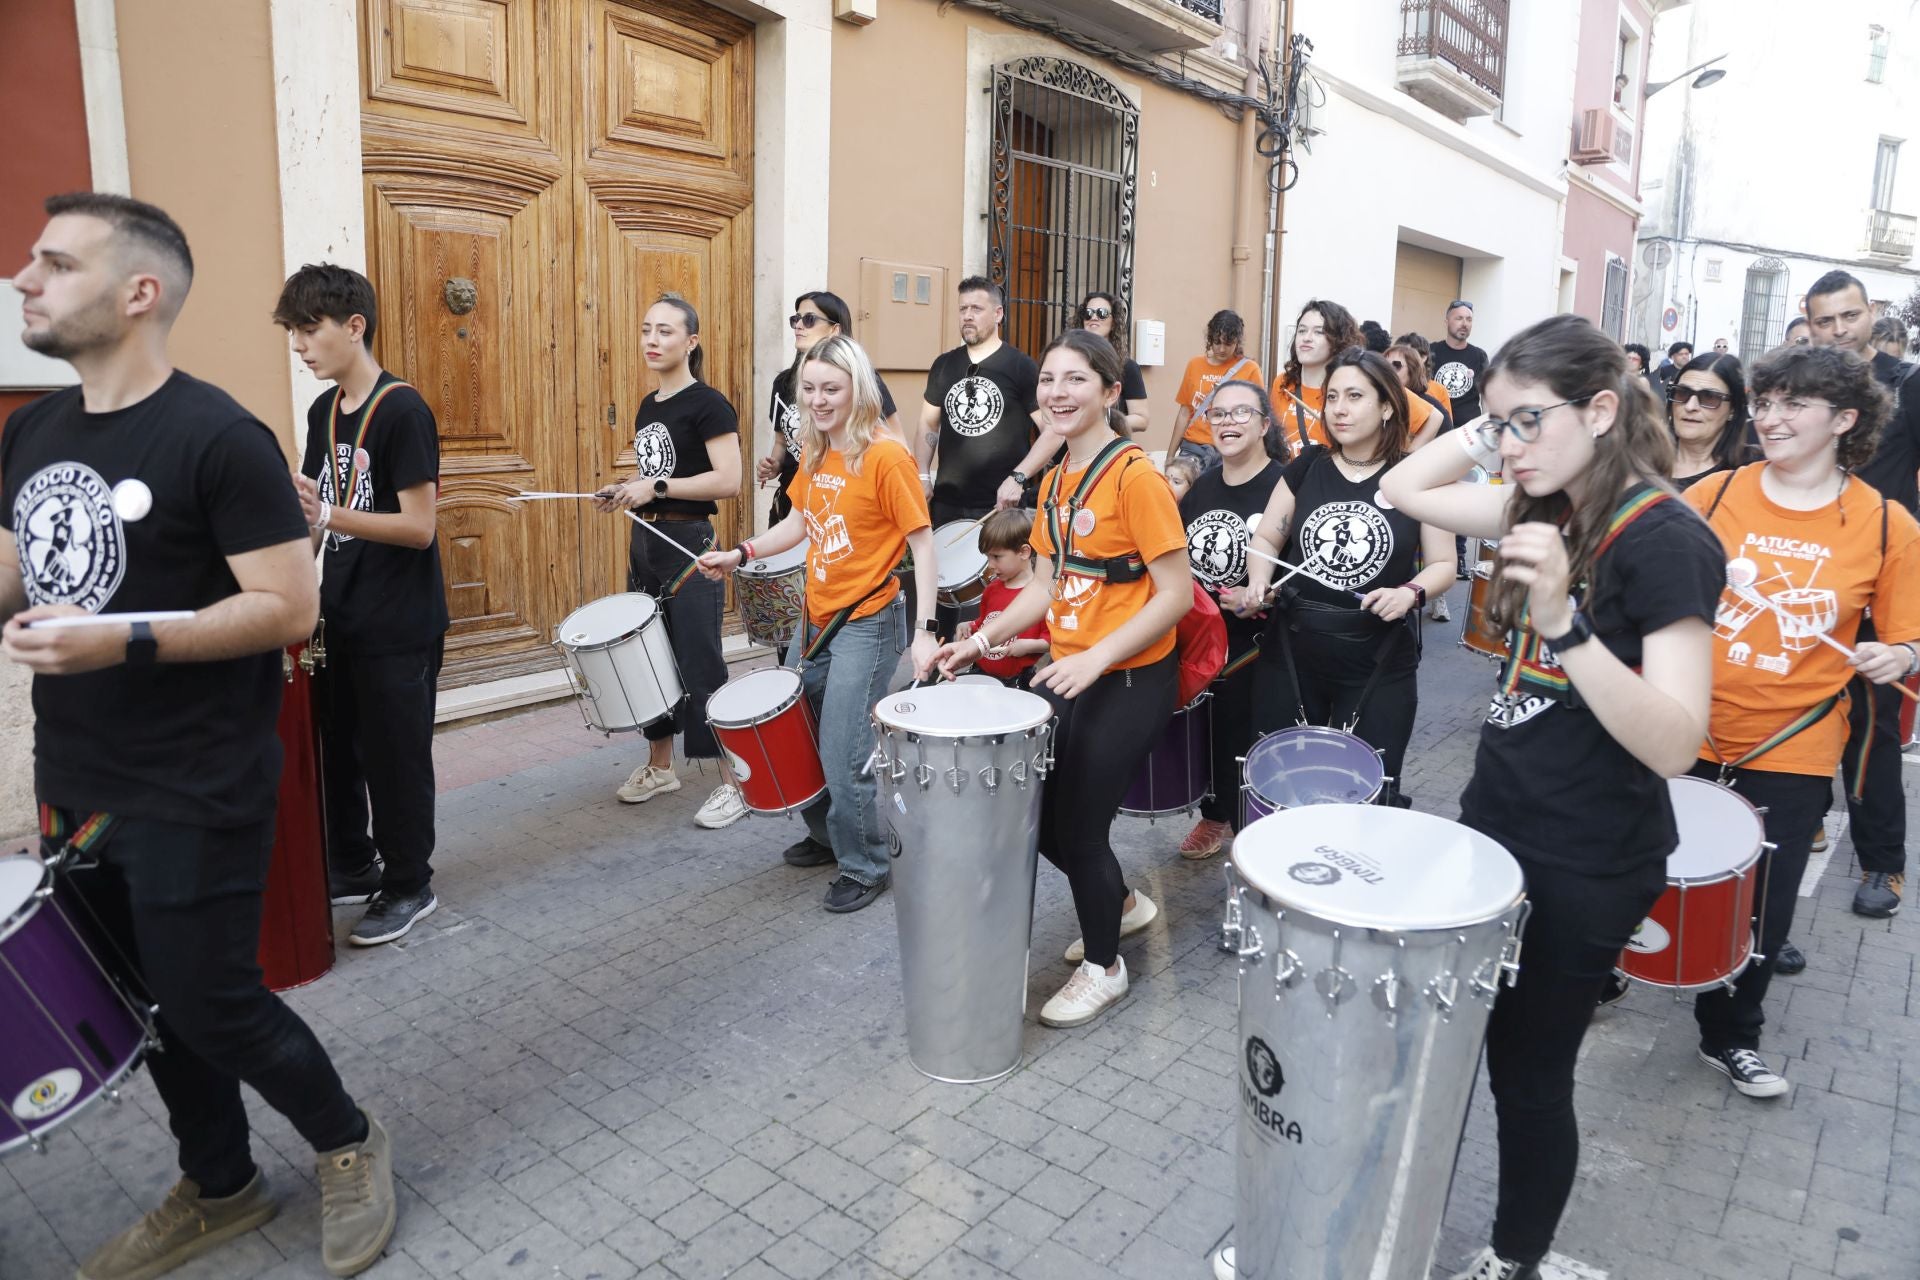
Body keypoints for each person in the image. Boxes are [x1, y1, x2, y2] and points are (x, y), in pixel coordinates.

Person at [5, 193, 395, 1278]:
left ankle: (349, 1140)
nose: (25, 280)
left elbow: (288, 608)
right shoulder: (30, 431)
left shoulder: (217, 435)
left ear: (139, 293)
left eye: (55, 263)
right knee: (140, 1001)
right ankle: (220, 1184)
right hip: (75, 773)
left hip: (196, 779)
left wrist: (121, 639)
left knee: (212, 1000)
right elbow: (16, 568)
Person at [1378, 314, 1722, 1280]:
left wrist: (1565, 624)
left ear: (1601, 411)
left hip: (1589, 857)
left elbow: (1676, 744)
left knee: (1528, 1076)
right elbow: (1404, 487)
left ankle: (1516, 1254)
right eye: (1501, 426)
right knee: (1450, 1046)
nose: (1511, 446)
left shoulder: (1666, 539)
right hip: (1496, 826)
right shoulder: (1546, 501)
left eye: (1530, 420)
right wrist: (1490, 425)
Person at [1681, 344, 1919, 1100]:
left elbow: (1908, 637)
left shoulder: (1886, 525)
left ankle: (1730, 1036)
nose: (1770, 418)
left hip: (1792, 742)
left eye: (1793, 405)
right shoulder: (1714, 493)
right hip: (1681, 724)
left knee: (1764, 903)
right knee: (1642, 866)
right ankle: (1615, 974)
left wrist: (1897, 654)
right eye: (1764, 402)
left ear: (1844, 419)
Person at [935, 328, 1192, 1027]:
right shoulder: (1054, 482)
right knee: (1039, 819)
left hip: (1129, 677)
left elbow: (1174, 595)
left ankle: (1104, 967)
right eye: (1048, 379)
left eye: (1076, 379)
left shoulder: (1136, 478)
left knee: (1079, 829)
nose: (1057, 392)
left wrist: (1095, 657)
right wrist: (981, 640)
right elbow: (1048, 585)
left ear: (1110, 392)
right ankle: (1123, 904)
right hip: (1071, 671)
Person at [698, 335, 938, 912]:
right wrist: (741, 553)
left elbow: (924, 545)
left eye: (831, 388)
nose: (818, 399)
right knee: (797, 733)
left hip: (867, 621)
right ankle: (829, 836)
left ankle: (866, 864)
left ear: (859, 389)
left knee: (843, 749)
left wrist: (927, 630)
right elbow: (801, 521)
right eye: (809, 388)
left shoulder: (886, 457)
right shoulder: (817, 449)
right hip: (815, 618)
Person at [276, 264, 448, 945]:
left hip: (399, 623)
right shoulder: (323, 412)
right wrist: (293, 576)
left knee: (394, 760)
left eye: (308, 329)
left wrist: (330, 514)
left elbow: (419, 527)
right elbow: (317, 516)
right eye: (292, 332)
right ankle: (352, 863)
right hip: (339, 615)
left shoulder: (403, 410)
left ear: (354, 326)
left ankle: (409, 884)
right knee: (338, 753)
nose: (299, 346)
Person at [1242, 350, 1456, 810]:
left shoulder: (1415, 476)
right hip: (1294, 650)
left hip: (1378, 657)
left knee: (1367, 792)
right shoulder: (1307, 467)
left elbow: (1443, 564)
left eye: (1355, 396)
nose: (1338, 409)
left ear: (1387, 407)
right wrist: (1259, 579)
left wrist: (1409, 593)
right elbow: (1267, 536)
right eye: (1333, 396)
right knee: (1283, 788)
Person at [594, 296, 746, 830]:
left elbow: (729, 479)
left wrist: (654, 487)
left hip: (689, 545)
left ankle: (735, 782)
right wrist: (627, 490)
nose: (652, 340)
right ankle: (661, 767)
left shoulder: (709, 404)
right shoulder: (648, 405)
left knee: (701, 663)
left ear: (691, 341)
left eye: (665, 331)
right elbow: (656, 474)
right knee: (648, 659)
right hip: (647, 542)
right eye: (646, 330)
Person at [1806, 269, 1920, 917]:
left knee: (1871, 732)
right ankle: (1809, 819)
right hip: (1808, 580)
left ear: (1870, 313)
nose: (1839, 330)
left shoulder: (1907, 384)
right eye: (1825, 320)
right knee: (1803, 710)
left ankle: (1883, 864)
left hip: (1879, 586)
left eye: (1849, 316)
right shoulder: (1806, 385)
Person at [1174, 379, 1284, 857]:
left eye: (1241, 413)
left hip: (1258, 643)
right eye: (1218, 414)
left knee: (1246, 736)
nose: (1227, 422)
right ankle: (1215, 815)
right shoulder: (1202, 487)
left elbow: (1305, 568)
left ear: (1264, 425)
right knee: (1209, 731)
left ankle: (1253, 827)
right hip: (1202, 638)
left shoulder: (1284, 485)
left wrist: (1266, 596)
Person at [919, 277, 1051, 634]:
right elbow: (928, 424)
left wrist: (1019, 477)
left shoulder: (1021, 366)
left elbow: (1052, 431)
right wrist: (922, 475)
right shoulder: (944, 365)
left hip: (998, 507)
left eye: (976, 308)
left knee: (994, 601)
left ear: (998, 314)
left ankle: (994, 662)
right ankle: (941, 658)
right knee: (944, 597)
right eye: (962, 308)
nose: (967, 315)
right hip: (947, 502)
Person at [756, 290, 902, 523]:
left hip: (842, 506)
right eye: (796, 319)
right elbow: (782, 442)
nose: (798, 326)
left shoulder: (861, 379)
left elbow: (896, 441)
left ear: (835, 329)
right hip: (791, 505)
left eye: (809, 319)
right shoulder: (783, 383)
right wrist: (773, 466)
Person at [953, 507, 1050, 688]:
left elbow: (1050, 640)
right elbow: (987, 622)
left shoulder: (1042, 597)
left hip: (1016, 680)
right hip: (981, 672)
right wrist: (969, 626)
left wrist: (1029, 646)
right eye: (988, 557)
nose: (990, 564)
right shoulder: (992, 589)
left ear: (1024, 552)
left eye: (997, 557)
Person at [1169, 309, 1263, 467]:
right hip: (1193, 448)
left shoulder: (1250, 369)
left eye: (1228, 343)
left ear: (1237, 341)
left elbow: (1258, 417)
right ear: (1209, 339)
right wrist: (1170, 457)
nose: (1221, 349)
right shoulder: (1195, 365)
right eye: (1217, 342)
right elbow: (1184, 413)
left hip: (1231, 450)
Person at [1269, 299, 1358, 457]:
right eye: (1302, 331)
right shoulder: (1282, 383)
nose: (1306, 338)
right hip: (1287, 472)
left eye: (1319, 332)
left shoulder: (1351, 389)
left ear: (1338, 340)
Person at [1667, 352, 1753, 490]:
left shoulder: (1750, 473)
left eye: (1709, 397)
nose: (1690, 406)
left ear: (1733, 410)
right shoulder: (1641, 459)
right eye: (1682, 393)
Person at [1074, 291, 1149, 436]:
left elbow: (1142, 419)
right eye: (1088, 313)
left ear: (1113, 322)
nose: (1094, 317)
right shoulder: (1071, 361)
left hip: (1108, 443)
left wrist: (1104, 421)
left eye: (1101, 313)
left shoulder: (1127, 366)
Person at [1433, 300, 1489, 424]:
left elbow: (1486, 394)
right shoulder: (1430, 351)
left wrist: (1485, 425)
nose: (1464, 324)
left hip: (1468, 430)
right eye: (1459, 318)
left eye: (1469, 319)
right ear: (1446, 322)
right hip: (1436, 428)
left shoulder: (1480, 355)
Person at [1395, 330, 1454, 417]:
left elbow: (1446, 423)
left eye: (1407, 355)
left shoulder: (1439, 390)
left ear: (1423, 357)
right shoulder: (1391, 386)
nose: (1401, 360)